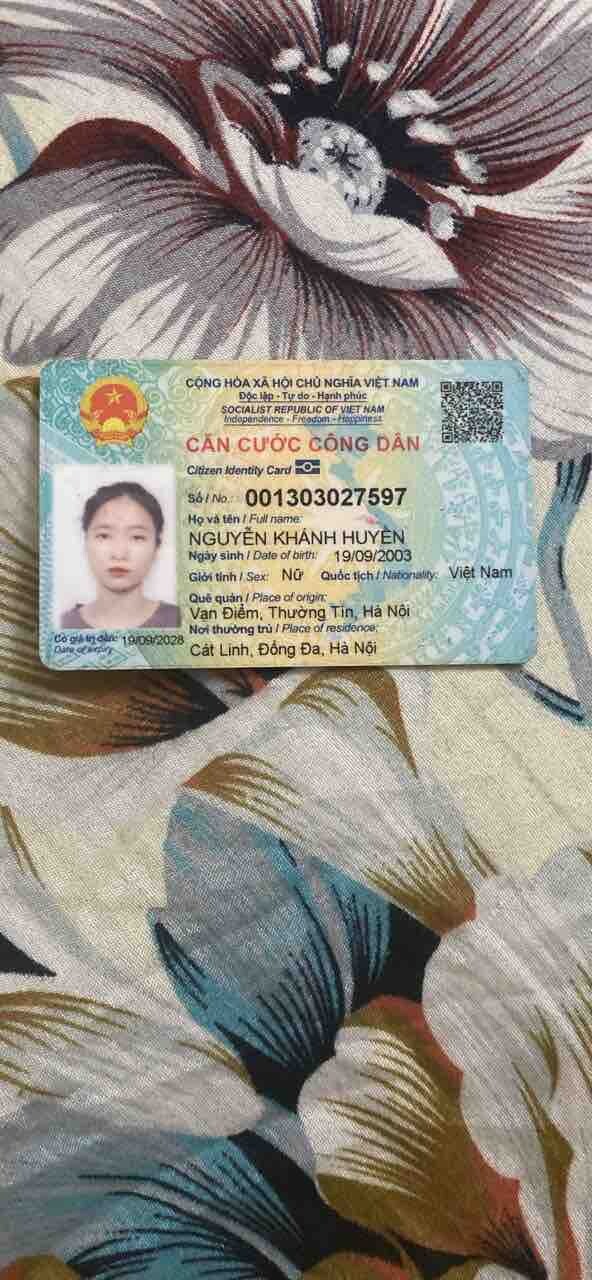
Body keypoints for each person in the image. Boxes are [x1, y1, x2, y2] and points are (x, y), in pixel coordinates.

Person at [60, 480, 180, 629]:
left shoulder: (181, 622)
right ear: (86, 542)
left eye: (137, 537)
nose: (119, 554)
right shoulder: (62, 625)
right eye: (104, 536)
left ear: (157, 547)